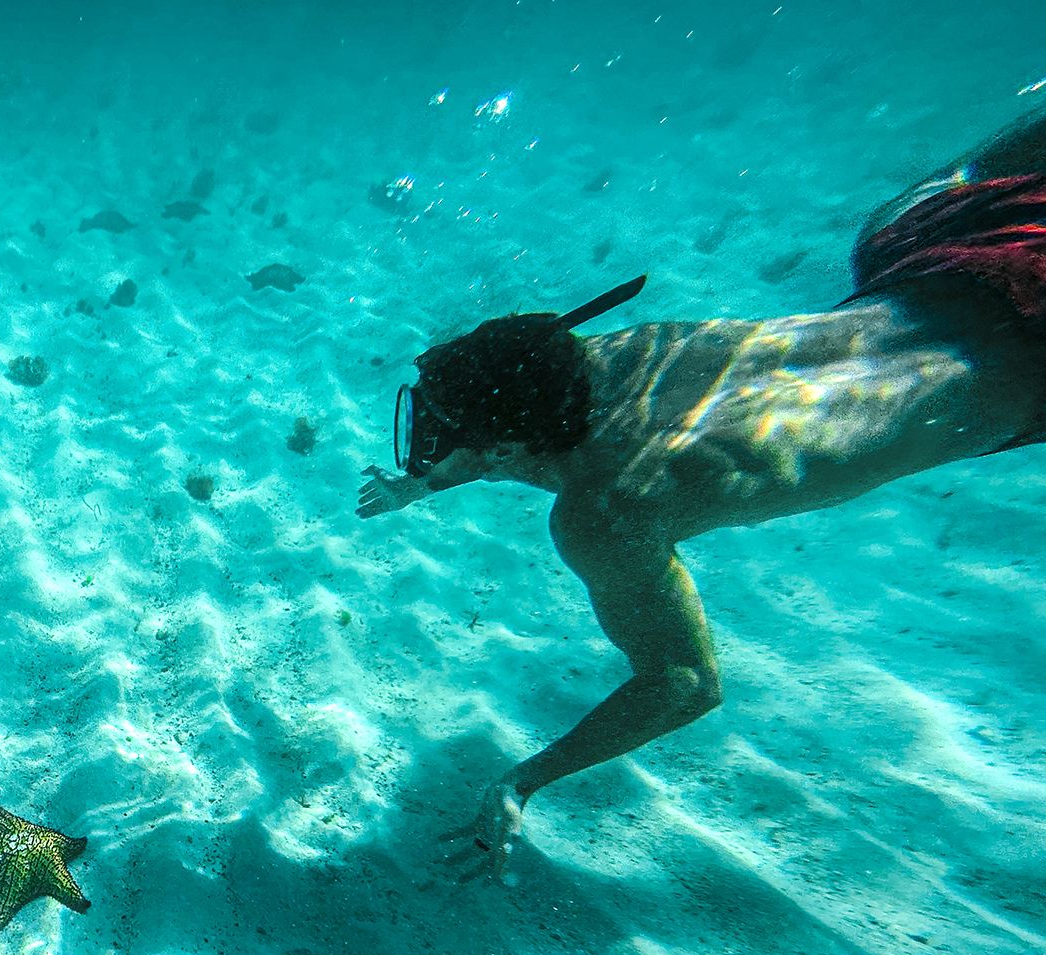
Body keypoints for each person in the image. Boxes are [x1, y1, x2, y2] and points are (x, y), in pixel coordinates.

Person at [358, 102, 1046, 873]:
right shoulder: (602, 358)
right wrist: (417, 489)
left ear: (509, 444)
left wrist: (524, 780)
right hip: (943, 256)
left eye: (451, 439)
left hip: (1029, 372)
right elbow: (508, 435)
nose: (439, 452)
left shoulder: (604, 510)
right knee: (921, 198)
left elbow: (684, 682)